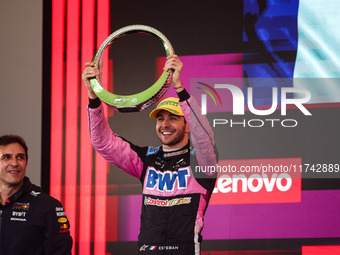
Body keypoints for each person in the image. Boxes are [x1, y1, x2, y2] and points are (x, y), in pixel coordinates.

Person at [82, 55, 217, 255]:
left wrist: (179, 86)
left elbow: (203, 137)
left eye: (173, 118)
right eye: (160, 119)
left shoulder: (201, 161)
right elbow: (103, 143)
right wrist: (93, 97)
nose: (165, 124)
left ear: (187, 125)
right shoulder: (147, 159)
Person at [0, 135, 73, 255]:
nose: (14, 163)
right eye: (6, 157)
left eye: (20, 157)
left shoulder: (48, 206)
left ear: (26, 163)